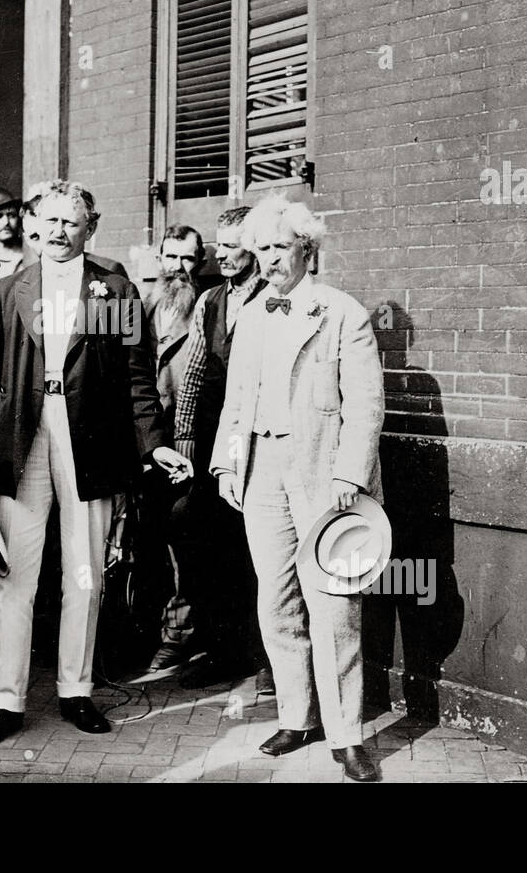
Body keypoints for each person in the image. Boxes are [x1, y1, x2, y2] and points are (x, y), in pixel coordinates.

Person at [0, 180, 192, 749]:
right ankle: (5, 702)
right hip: (23, 440)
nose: (58, 232)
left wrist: (154, 442)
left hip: (90, 440)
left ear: (91, 227)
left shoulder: (114, 290)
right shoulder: (8, 291)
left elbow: (139, 379)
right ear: (33, 226)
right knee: (14, 574)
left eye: (72, 222)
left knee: (85, 574)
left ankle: (75, 689)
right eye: (48, 222)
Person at [209, 194, 384, 781]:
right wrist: (229, 465)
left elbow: (365, 405)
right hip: (261, 471)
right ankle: (296, 714)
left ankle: (347, 734)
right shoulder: (253, 313)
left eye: (280, 246)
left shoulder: (343, 313)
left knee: (334, 604)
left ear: (307, 248)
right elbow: (236, 403)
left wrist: (348, 475)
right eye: (260, 249)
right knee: (275, 597)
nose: (269, 259)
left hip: (320, 473)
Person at [170, 205, 271, 691]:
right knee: (193, 528)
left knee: (257, 547)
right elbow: (191, 375)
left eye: (235, 245)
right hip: (211, 441)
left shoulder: (274, 298)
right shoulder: (210, 300)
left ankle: (266, 657)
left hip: (259, 442)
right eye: (220, 244)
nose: (223, 254)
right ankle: (220, 647)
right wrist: (185, 441)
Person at [141, 224, 206, 675]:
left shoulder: (206, 308)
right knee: (145, 542)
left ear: (199, 263)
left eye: (187, 258)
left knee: (184, 539)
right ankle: (146, 631)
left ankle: (180, 636)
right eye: (171, 257)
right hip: (146, 446)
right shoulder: (143, 308)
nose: (178, 267)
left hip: (186, 450)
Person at [17, 180, 128, 278]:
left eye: (69, 223)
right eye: (52, 220)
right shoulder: (6, 288)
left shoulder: (118, 284)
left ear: (90, 230)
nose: (58, 232)